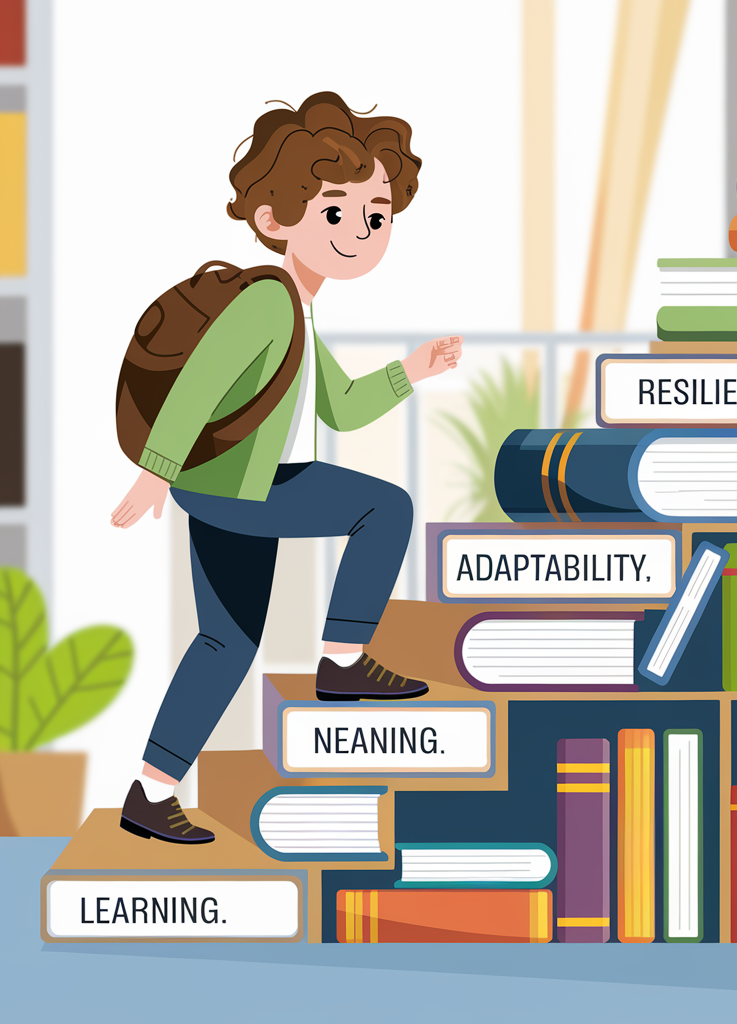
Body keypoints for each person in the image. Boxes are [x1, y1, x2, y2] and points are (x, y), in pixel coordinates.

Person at [111, 92, 462, 844]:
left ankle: (150, 790)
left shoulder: (300, 311)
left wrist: (412, 370)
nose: (360, 233)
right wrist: (152, 470)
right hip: (241, 490)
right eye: (336, 213)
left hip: (223, 491)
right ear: (275, 220)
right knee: (386, 508)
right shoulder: (269, 302)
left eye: (376, 216)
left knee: (226, 644)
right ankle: (342, 657)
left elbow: (339, 407)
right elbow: (200, 385)